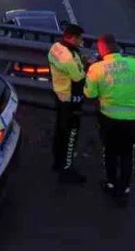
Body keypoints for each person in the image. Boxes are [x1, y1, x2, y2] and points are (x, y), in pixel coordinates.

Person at [84, 33, 135, 204]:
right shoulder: (134, 63)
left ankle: (111, 184)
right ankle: (125, 188)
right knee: (127, 153)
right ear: (117, 46)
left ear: (102, 49)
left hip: (109, 119)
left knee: (111, 152)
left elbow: (90, 93)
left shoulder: (97, 68)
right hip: (132, 119)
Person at [48, 23, 88, 183]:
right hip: (72, 99)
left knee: (60, 130)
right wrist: (88, 65)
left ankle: (57, 162)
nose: (81, 42)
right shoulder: (69, 57)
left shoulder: (55, 47)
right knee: (71, 135)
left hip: (60, 95)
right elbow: (79, 78)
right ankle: (67, 170)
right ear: (72, 38)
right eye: (80, 39)